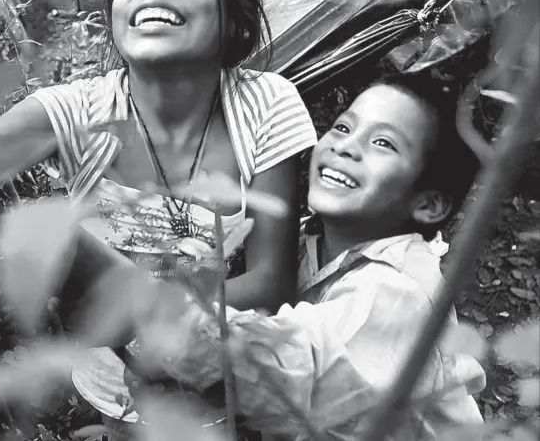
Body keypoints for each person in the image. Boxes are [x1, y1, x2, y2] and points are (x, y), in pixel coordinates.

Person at [0, 0, 317, 437]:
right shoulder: (80, 110)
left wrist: (165, 332)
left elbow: (273, 279)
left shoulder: (267, 104)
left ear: (232, 16)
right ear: (116, 11)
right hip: (111, 378)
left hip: (230, 376)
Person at [128, 74, 487, 440]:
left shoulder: (398, 291)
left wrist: (161, 321)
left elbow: (293, 366)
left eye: (382, 142)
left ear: (427, 204)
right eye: (343, 126)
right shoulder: (306, 240)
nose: (345, 147)